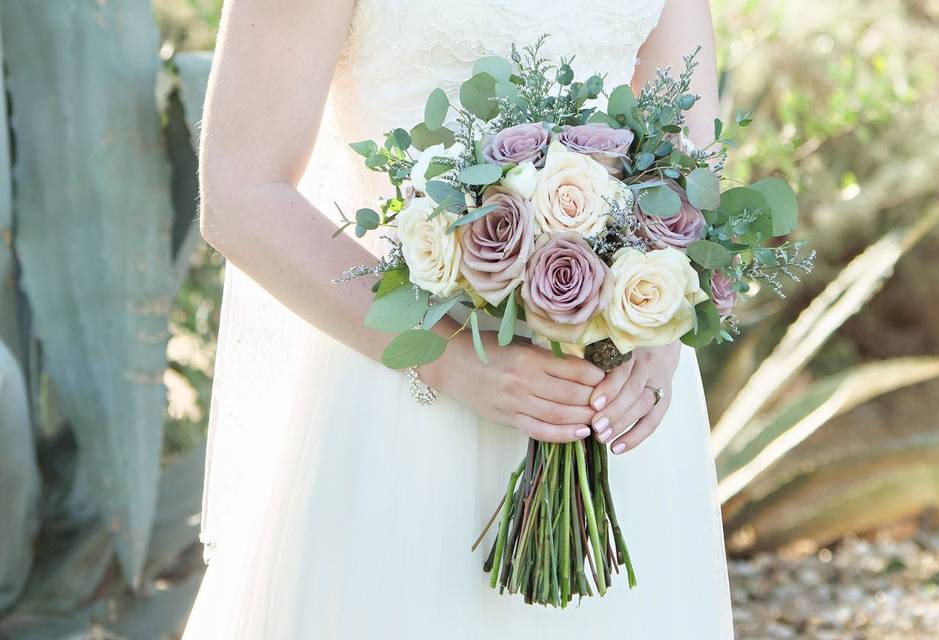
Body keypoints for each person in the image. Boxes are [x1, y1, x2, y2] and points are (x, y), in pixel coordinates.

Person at [183, 0, 734, 637]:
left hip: (616, 400)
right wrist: (449, 359)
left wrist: (660, 338)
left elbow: (689, 161)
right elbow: (241, 193)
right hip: (405, 398)